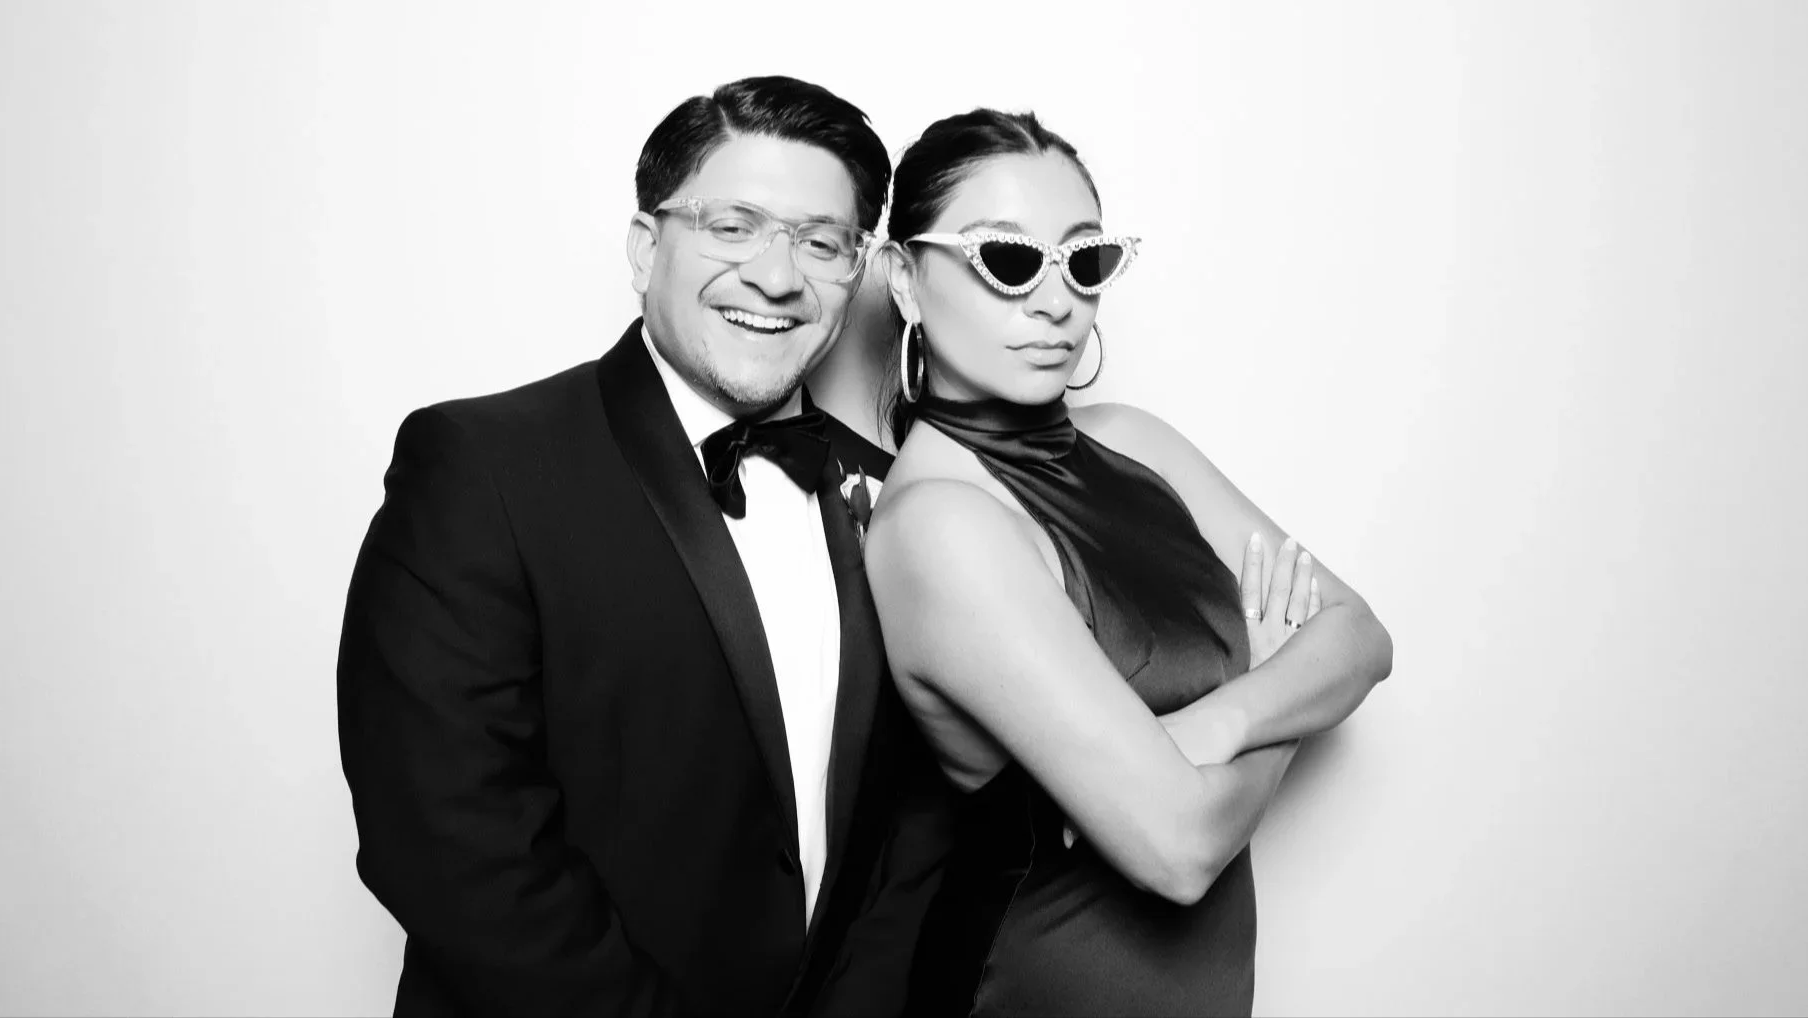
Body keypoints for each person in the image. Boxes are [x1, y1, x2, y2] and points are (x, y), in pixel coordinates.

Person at [337, 76, 950, 1017]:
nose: (777, 276)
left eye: (822, 243)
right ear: (644, 246)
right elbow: (449, 843)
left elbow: (910, 820)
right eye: (733, 226)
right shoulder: (481, 466)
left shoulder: (901, 496)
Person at [863, 109, 1396, 1016]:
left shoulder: (1136, 444)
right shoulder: (939, 526)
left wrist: (1215, 727)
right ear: (906, 278)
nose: (1056, 302)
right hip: (1032, 985)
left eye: (1085, 260)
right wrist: (1278, 683)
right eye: (1009, 259)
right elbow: (1180, 851)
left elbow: (1362, 638)